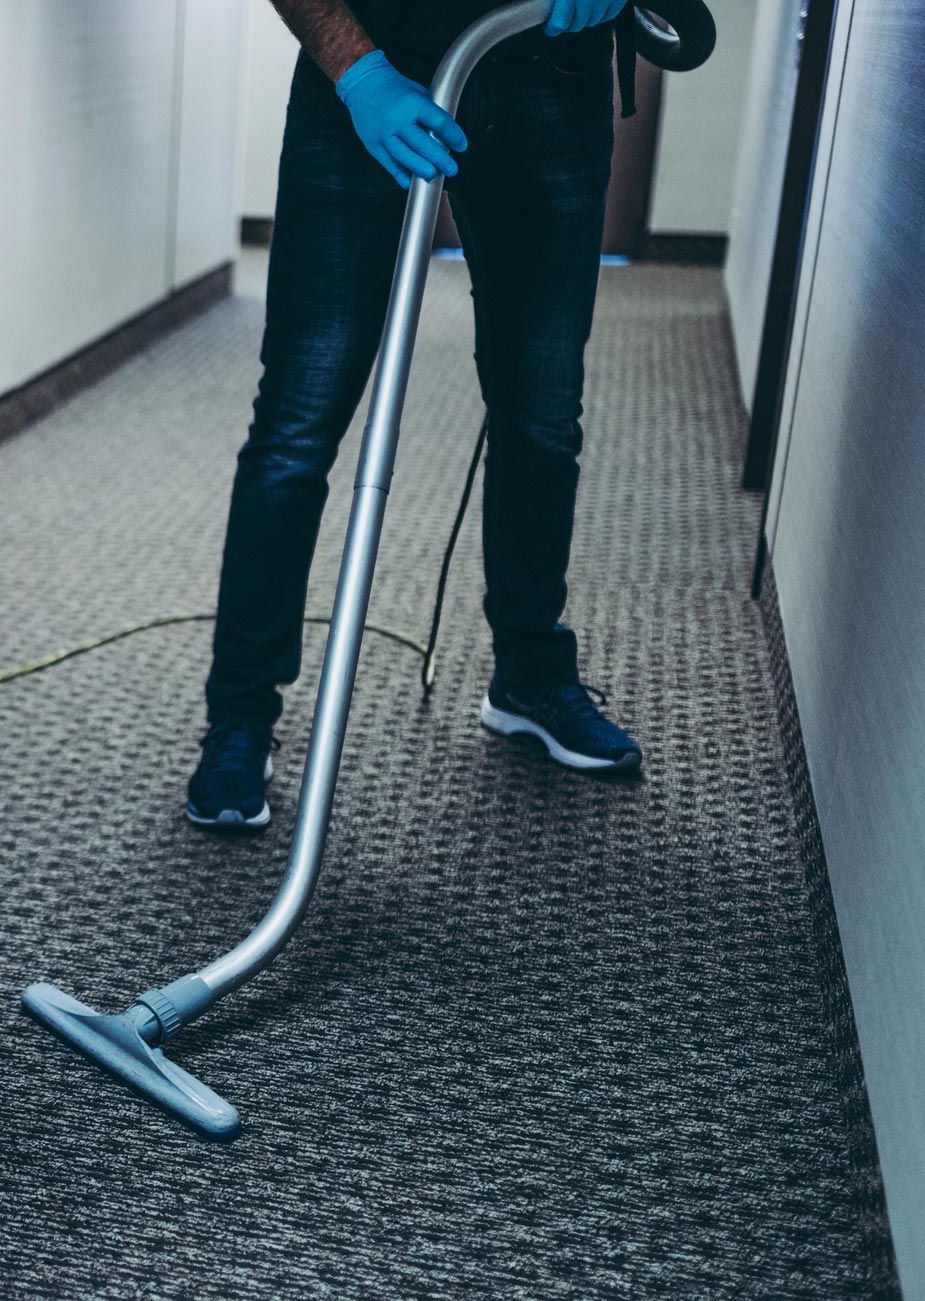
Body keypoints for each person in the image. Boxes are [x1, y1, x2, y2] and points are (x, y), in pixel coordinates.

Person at [188, 0, 643, 831]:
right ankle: (239, 717)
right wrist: (359, 77)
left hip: (553, 71)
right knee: (298, 418)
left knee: (540, 412)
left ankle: (531, 677)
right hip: (367, 69)